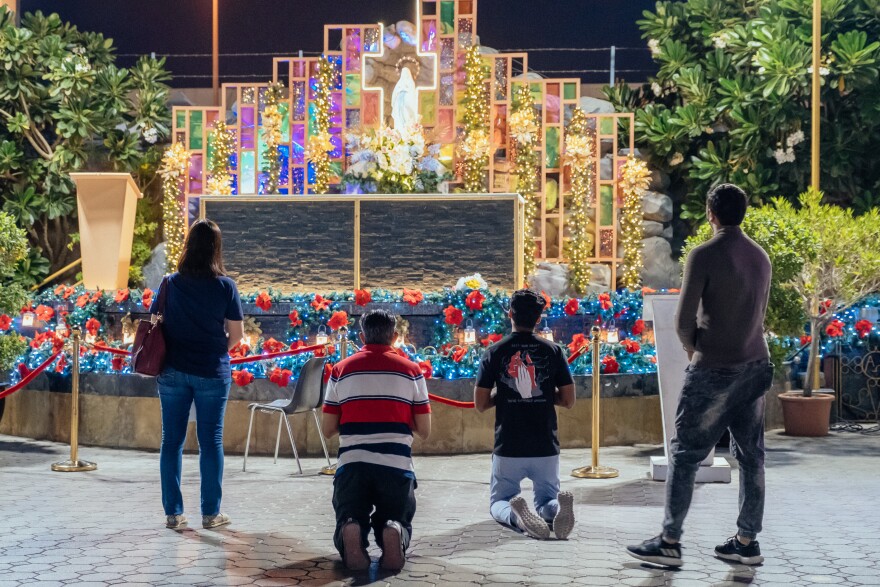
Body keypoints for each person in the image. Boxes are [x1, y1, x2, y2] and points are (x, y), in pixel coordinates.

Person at [627, 184, 774, 567]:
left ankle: (670, 541)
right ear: (743, 212)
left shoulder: (704, 254)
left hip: (715, 368)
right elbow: (756, 314)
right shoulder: (761, 257)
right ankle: (746, 542)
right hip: (757, 365)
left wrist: (696, 352)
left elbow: (683, 319)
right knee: (752, 457)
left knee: (686, 453)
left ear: (711, 212)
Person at [322, 310, 431, 572]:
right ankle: (393, 530)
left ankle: (352, 528)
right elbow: (424, 430)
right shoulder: (412, 371)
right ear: (394, 337)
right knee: (397, 516)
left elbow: (327, 429)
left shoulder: (341, 370)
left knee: (349, 512)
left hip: (352, 465)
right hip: (396, 466)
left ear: (361, 336)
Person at [152, 219, 244, 531]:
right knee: (211, 441)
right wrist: (218, 349)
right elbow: (237, 334)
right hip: (212, 371)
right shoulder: (224, 286)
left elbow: (155, 321)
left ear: (188, 246)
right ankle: (210, 513)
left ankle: (174, 514)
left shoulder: (169, 283)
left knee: (171, 442)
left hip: (173, 371)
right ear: (216, 249)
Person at [474, 289, 577, 540]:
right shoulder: (553, 351)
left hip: (509, 443)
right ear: (538, 319)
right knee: (546, 498)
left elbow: (480, 403)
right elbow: (568, 400)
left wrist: (509, 394)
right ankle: (555, 510)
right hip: (545, 443)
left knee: (499, 500)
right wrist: (536, 392)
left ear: (510, 314)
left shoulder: (494, 352)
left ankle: (517, 517)